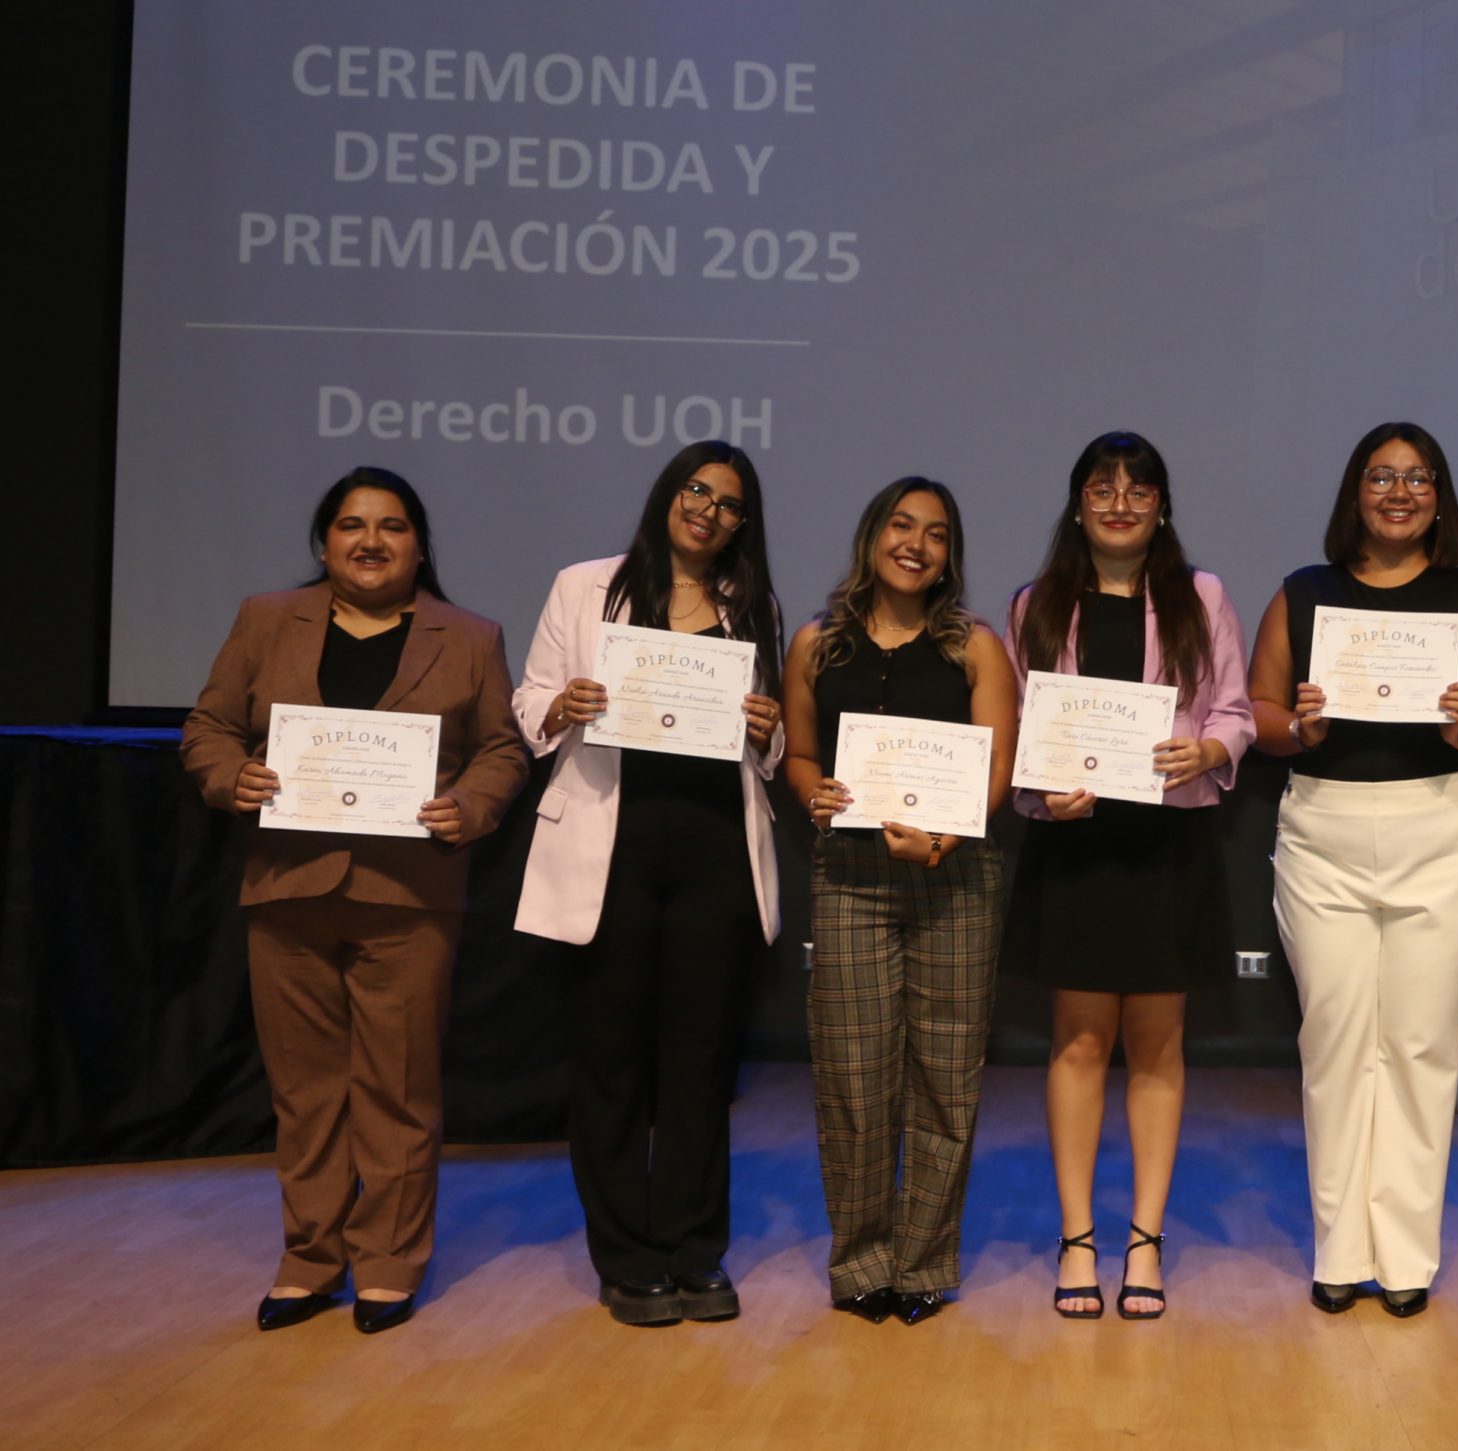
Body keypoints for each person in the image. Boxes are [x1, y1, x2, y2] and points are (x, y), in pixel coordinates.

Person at [180, 467, 528, 1336]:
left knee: (399, 1089)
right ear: (323, 541)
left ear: (420, 543)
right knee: (304, 1092)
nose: (370, 541)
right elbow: (209, 728)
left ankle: (388, 1262)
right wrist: (234, 778)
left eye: (392, 526)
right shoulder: (266, 619)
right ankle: (309, 1258)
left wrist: (471, 806)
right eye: (350, 525)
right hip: (289, 887)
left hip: (409, 895)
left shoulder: (471, 635)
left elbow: (503, 751)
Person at [1247, 421, 1458, 1318]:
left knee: (1419, 1043)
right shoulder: (1303, 592)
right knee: (1335, 1040)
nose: (1400, 491)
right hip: (1325, 830)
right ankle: (1340, 1250)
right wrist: (1298, 726)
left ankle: (1406, 1257)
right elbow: (1257, 712)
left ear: (1440, 496)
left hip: (1440, 826)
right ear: (1354, 493)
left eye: (1418, 478)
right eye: (1382, 476)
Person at [514, 440, 787, 1327]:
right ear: (669, 494)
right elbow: (530, 702)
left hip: (714, 853)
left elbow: (773, 745)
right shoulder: (583, 584)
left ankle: (696, 1250)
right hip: (611, 848)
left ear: (743, 524)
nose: (707, 509)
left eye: (728, 502)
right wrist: (563, 707)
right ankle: (628, 1256)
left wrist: (767, 725)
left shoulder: (753, 605)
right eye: (695, 490)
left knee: (701, 1067)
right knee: (611, 1065)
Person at [1002, 432, 1253, 1321]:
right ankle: (1078, 1238)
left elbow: (1235, 707)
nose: (1119, 500)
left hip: (1166, 845)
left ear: (1160, 504)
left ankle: (1144, 1241)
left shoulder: (1201, 595)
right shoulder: (1036, 603)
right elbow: (1024, 731)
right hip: (1079, 847)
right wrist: (1041, 796)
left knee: (1157, 1044)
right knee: (1077, 1042)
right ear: (1077, 503)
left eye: (1138, 486)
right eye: (1102, 486)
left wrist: (1211, 746)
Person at [783, 477, 1017, 1327]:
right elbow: (800, 756)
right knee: (853, 1075)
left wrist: (947, 839)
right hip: (849, 876)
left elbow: (996, 767)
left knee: (946, 1076)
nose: (916, 543)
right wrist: (816, 794)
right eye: (902, 525)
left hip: (954, 876)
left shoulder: (975, 647)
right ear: (872, 535)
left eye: (938, 533)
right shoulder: (817, 643)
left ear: (951, 554)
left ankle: (922, 1263)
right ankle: (861, 1264)